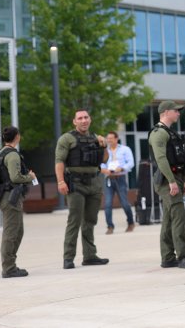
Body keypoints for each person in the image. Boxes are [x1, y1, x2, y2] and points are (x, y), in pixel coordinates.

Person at [55, 109, 109, 269]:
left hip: (94, 183)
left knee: (90, 221)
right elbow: (59, 161)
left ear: (90, 119)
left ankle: (90, 256)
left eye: (86, 117)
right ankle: (68, 257)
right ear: (74, 121)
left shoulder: (96, 138)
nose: (83, 120)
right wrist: (60, 182)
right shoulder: (67, 138)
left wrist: (104, 145)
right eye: (80, 118)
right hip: (76, 184)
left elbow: (104, 159)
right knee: (74, 220)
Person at [149, 100, 185, 269]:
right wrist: (171, 181)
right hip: (166, 180)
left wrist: (181, 181)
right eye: (175, 111)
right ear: (166, 112)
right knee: (178, 218)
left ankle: (168, 257)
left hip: (174, 178)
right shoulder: (159, 133)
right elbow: (161, 159)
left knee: (169, 219)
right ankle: (183, 256)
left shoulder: (169, 132)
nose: (178, 113)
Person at [0, 126, 37, 278]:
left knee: (17, 231)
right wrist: (30, 177)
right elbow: (15, 177)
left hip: (7, 196)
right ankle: (8, 268)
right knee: (11, 233)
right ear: (17, 137)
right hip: (11, 198)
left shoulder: (2, 152)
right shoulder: (12, 155)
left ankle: (10, 265)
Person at [101, 131, 135, 235]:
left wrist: (122, 168)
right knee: (107, 204)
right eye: (108, 138)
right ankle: (110, 226)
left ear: (116, 139)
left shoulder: (125, 149)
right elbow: (101, 163)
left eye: (111, 138)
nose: (109, 140)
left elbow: (131, 163)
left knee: (124, 203)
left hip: (120, 178)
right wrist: (104, 170)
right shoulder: (105, 151)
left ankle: (130, 222)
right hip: (109, 179)